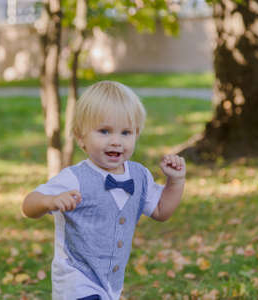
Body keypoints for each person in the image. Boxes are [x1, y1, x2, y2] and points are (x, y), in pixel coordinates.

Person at [22, 81, 186, 300]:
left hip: (110, 285)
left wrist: (175, 182)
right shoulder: (74, 178)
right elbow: (28, 205)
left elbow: (161, 211)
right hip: (77, 281)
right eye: (104, 131)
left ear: (136, 134)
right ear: (81, 137)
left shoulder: (139, 176)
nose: (116, 141)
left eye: (126, 132)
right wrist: (50, 201)